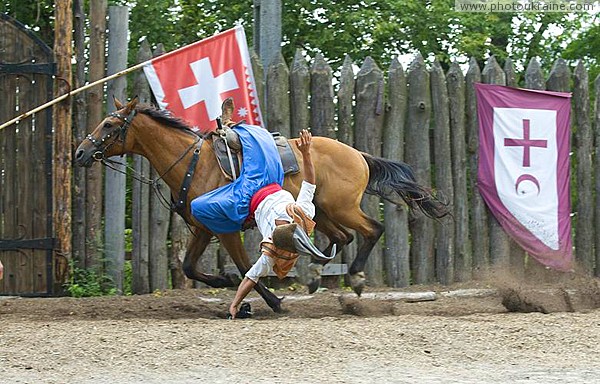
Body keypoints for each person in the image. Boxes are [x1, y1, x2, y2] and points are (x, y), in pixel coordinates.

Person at [229, 129, 319, 319]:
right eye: (282, 222)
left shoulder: (271, 252)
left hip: (249, 195)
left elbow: (250, 278)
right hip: (274, 181)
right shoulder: (302, 212)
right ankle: (243, 131)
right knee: (265, 148)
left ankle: (242, 132)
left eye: (278, 224)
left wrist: (234, 305)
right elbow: (310, 182)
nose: (280, 221)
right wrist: (306, 153)